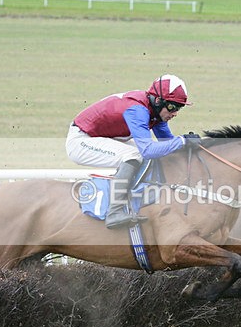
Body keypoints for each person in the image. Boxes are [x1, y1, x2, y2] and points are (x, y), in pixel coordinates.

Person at [66, 74, 200, 229]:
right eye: (172, 107)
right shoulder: (137, 110)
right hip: (81, 141)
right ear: (158, 101)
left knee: (153, 154)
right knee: (134, 155)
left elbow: (167, 143)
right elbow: (148, 150)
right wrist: (182, 141)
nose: (175, 113)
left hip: (105, 137)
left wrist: (188, 145)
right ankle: (114, 211)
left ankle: (140, 199)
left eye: (179, 108)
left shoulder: (155, 111)